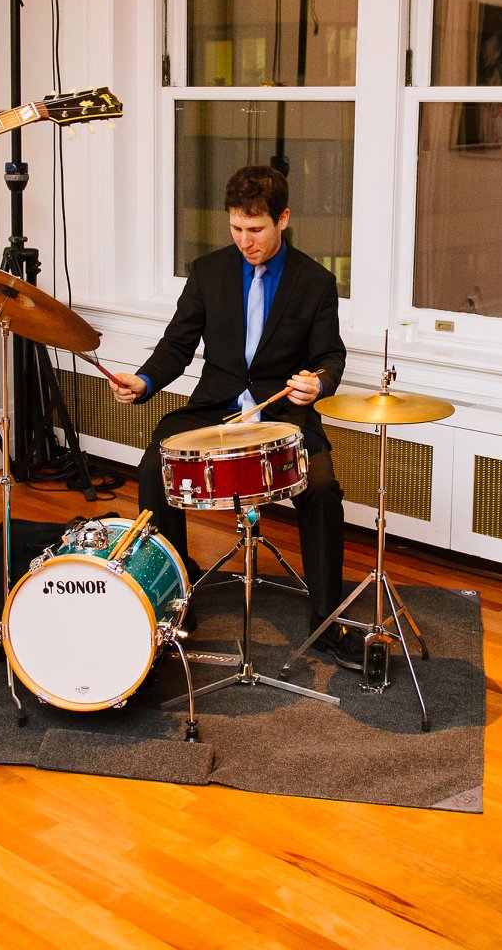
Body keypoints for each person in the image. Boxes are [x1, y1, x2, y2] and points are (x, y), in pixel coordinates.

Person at [108, 166, 353, 663]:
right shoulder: (208, 272)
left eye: (256, 229)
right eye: (237, 228)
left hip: (282, 415)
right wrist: (145, 380)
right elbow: (177, 344)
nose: (246, 241)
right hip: (215, 407)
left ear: (282, 219)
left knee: (323, 488)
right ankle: (172, 599)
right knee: (154, 468)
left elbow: (331, 355)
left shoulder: (315, 281)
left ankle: (326, 621)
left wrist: (318, 383)